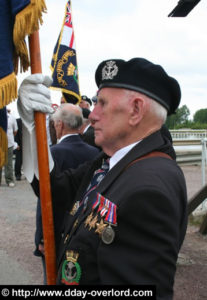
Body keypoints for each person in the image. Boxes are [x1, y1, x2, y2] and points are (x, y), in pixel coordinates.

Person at [18, 58, 187, 299]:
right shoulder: (110, 162)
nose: (92, 115)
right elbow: (53, 189)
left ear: (136, 111)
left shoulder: (149, 188)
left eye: (102, 104)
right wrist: (31, 127)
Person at [34, 103, 100, 284]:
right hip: (83, 231)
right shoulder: (95, 152)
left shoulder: (51, 153)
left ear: (59, 125)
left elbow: (45, 199)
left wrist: (41, 236)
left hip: (54, 229)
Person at [0, 108, 18, 187]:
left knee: (9, 163)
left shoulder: (12, 118)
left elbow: (15, 130)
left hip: (9, 143)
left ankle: (9, 180)